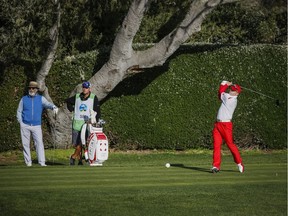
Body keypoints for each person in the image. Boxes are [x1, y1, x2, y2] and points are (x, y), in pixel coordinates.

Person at [17, 81, 59, 167]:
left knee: (39, 143)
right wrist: (20, 122)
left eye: (33, 88)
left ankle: (42, 162)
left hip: (36, 125)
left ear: (36, 89)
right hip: (25, 124)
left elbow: (47, 104)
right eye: (30, 88)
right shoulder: (23, 99)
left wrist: (53, 107)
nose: (31, 89)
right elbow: (19, 111)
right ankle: (28, 162)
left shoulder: (41, 98)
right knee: (25, 144)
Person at [211, 80, 244, 173]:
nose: (230, 90)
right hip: (218, 124)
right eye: (231, 89)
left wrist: (225, 83)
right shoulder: (228, 96)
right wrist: (227, 84)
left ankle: (239, 163)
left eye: (233, 90)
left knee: (230, 145)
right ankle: (215, 166)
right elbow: (220, 93)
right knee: (216, 146)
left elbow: (220, 92)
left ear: (237, 93)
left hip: (226, 125)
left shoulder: (231, 99)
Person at [65, 81, 101, 165]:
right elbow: (68, 101)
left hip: (87, 124)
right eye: (84, 87)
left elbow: (97, 111)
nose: (85, 89)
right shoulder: (77, 96)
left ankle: (74, 157)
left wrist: (96, 121)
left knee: (84, 142)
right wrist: (72, 109)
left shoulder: (93, 97)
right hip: (77, 123)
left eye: (87, 88)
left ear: (89, 89)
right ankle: (79, 159)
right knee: (76, 144)